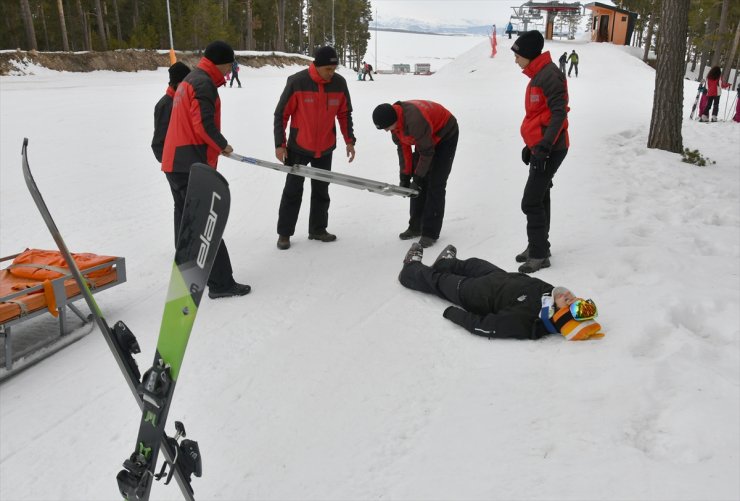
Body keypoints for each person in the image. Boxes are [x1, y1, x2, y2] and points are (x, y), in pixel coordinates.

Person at [161, 40, 251, 299]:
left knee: (187, 222)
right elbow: (203, 124)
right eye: (230, 66)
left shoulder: (192, 79)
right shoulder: (203, 83)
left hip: (176, 162)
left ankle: (187, 273)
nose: (229, 72)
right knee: (206, 226)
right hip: (189, 163)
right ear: (222, 63)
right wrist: (222, 145)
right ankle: (221, 284)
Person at [398, 243, 604, 340]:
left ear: (559, 315)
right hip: (499, 277)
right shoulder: (550, 295)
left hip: (476, 294)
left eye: (569, 303)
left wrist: (454, 313)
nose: (570, 297)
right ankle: (445, 263)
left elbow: (486, 326)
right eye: (575, 299)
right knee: (473, 264)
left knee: (439, 281)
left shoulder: (528, 322)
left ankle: (410, 271)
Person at [273, 45, 356, 250]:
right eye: (328, 69)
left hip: (326, 147)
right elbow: (281, 115)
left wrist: (349, 140)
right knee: (292, 191)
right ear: (316, 66)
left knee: (321, 190)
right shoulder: (297, 82)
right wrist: (279, 144)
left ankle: (318, 229)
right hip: (299, 147)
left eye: (334, 69)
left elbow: (344, 114)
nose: (331, 73)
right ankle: (285, 234)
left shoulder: (339, 83)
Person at [512, 30, 570, 274]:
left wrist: (544, 146)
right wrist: (531, 145)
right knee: (540, 195)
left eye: (517, 55)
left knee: (531, 201)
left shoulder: (549, 76)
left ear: (528, 54)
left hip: (552, 149)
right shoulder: (538, 75)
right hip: (542, 148)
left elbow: (559, 113)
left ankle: (538, 255)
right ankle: (539, 246)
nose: (515, 60)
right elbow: (539, 116)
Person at [372, 100, 459, 248]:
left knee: (435, 184)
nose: (387, 131)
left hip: (445, 134)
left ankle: (430, 233)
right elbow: (403, 148)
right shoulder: (394, 124)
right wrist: (405, 176)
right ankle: (415, 226)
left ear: (393, 120)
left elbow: (427, 153)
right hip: (425, 139)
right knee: (417, 187)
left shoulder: (415, 121)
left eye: (387, 127)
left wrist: (417, 178)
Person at [152, 62, 190, 166]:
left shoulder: (182, 100)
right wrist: (169, 162)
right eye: (185, 82)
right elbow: (159, 140)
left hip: (186, 159)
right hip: (175, 164)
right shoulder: (165, 105)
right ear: (177, 83)